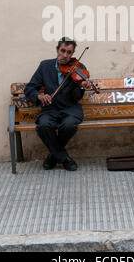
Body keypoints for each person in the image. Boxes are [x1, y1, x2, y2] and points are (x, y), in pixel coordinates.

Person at [24, 37, 91, 171]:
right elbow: (29, 88)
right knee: (43, 125)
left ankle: (53, 157)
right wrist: (40, 96)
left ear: (72, 53)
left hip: (70, 108)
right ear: (57, 49)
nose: (65, 55)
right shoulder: (45, 66)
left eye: (69, 52)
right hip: (50, 109)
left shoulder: (79, 68)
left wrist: (82, 87)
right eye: (63, 51)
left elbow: (76, 97)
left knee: (69, 125)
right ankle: (64, 158)